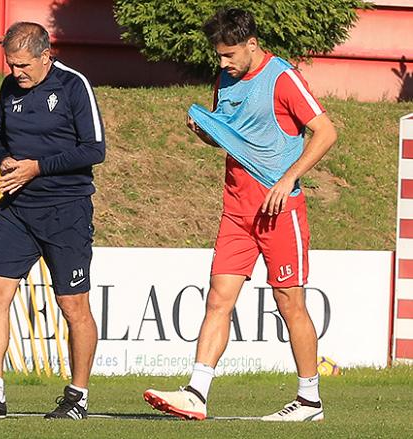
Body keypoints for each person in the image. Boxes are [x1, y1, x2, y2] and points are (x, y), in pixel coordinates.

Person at [143, 8, 337, 422]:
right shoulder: (225, 80)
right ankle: (196, 392)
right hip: (236, 212)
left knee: (290, 302)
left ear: (252, 44)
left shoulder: (282, 78)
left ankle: (309, 401)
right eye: (219, 55)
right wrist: (209, 137)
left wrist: (287, 180)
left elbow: (326, 131)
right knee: (218, 297)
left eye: (229, 55)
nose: (223, 63)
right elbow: (238, 140)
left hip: (279, 210)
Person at [0, 22, 105, 420]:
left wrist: (37, 168)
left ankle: (78, 396)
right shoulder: (8, 88)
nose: (16, 72)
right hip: (16, 209)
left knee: (73, 306)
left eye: (23, 65)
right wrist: (3, 158)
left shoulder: (74, 86)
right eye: (11, 65)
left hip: (65, 212)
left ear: (45, 55)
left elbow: (94, 150)